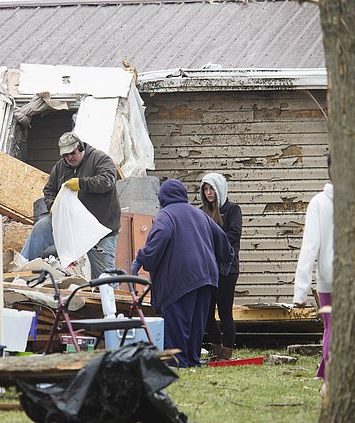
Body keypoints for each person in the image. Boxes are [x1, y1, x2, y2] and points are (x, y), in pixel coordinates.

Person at [131, 179, 234, 368]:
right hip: (206, 278)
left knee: (177, 322)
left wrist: (141, 259)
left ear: (162, 197)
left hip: (180, 279)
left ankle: (178, 361)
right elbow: (223, 240)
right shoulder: (200, 214)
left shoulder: (166, 215)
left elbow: (157, 241)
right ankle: (192, 359)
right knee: (196, 323)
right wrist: (226, 258)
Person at [21, 132, 121, 279]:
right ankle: (21, 268)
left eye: (72, 153)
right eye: (65, 155)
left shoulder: (99, 159)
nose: (69, 158)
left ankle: (109, 300)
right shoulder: (60, 167)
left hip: (99, 228)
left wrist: (82, 183)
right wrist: (53, 205)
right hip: (70, 223)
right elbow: (49, 190)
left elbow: (108, 180)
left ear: (80, 147)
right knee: (41, 228)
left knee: (105, 279)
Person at [293, 154, 333, 386]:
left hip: (329, 279)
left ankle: (330, 378)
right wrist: (301, 291)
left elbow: (309, 249)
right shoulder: (319, 203)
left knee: (332, 328)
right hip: (338, 280)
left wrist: (301, 293)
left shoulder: (319, 202)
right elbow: (309, 249)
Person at [200, 173, 242, 361]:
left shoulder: (233, 210)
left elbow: (234, 235)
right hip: (207, 268)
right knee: (207, 313)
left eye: (212, 189)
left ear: (219, 189)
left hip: (227, 269)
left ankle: (227, 351)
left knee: (225, 311)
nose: (209, 193)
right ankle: (216, 348)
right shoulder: (201, 211)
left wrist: (214, 242)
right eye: (205, 189)